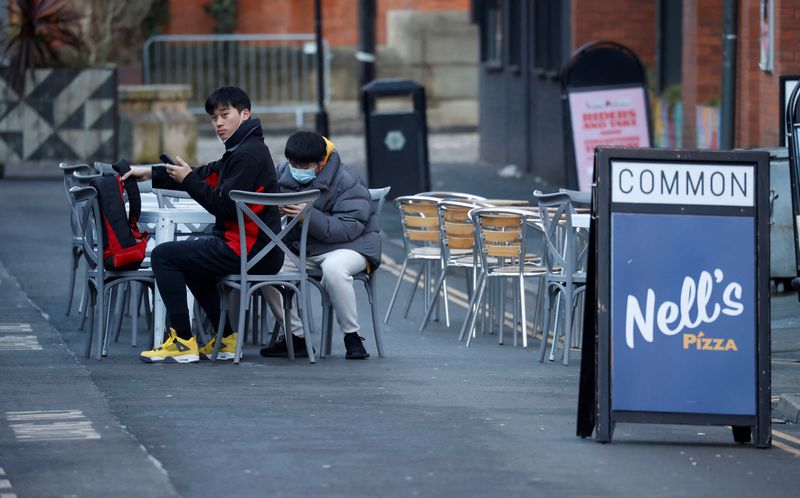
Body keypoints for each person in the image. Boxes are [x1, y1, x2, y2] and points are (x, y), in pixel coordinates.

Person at [122, 86, 283, 363]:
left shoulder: (247, 154)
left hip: (250, 250)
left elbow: (224, 206)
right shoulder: (243, 149)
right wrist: (149, 173)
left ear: (245, 115)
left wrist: (189, 181)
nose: (218, 123)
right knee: (191, 260)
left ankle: (183, 340)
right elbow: (206, 175)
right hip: (252, 248)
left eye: (224, 115)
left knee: (164, 255)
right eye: (213, 117)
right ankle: (227, 340)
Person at [262, 130, 381, 359]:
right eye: (292, 163)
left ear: (321, 162)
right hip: (301, 247)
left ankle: (352, 336)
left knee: (334, 269)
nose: (296, 169)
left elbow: (348, 228)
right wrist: (272, 211)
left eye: (304, 165)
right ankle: (296, 336)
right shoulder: (281, 173)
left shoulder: (347, 180)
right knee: (262, 266)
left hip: (351, 246)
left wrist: (308, 215)